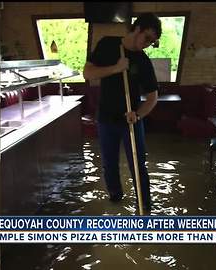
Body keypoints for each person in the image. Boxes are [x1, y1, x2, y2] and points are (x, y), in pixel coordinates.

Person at [83, 13, 161, 212]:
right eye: (147, 38)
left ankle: (144, 207)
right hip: (106, 119)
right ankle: (115, 198)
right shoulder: (108, 45)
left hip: (131, 120)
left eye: (152, 42)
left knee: (138, 165)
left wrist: (138, 115)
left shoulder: (143, 62)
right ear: (137, 29)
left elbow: (152, 98)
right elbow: (88, 73)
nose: (147, 44)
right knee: (109, 164)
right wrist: (116, 68)